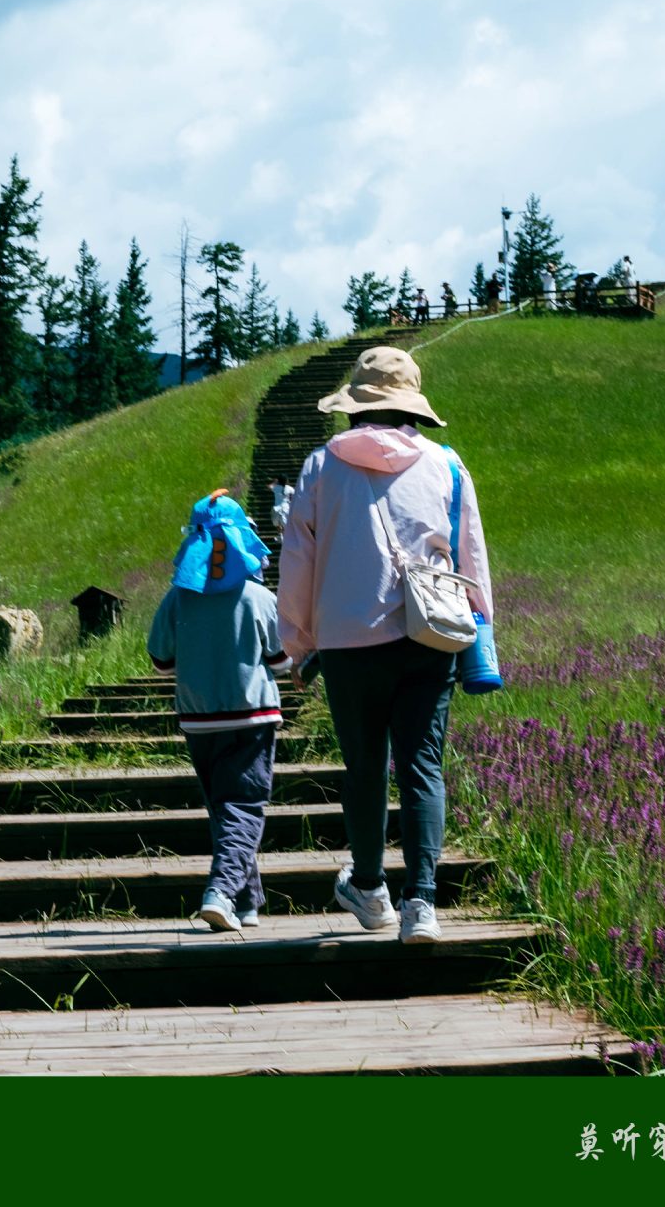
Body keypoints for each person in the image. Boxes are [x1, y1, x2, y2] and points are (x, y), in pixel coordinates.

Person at [277, 347, 493, 945]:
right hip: (429, 636)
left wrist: (296, 643)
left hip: (348, 641)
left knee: (364, 765)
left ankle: (371, 889)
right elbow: (471, 553)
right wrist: (482, 626)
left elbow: (298, 559)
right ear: (412, 409)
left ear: (356, 407)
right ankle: (422, 901)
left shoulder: (322, 466)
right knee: (423, 765)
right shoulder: (447, 465)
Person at [146, 491, 292, 933]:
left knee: (222, 809)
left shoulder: (178, 598)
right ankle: (221, 892)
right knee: (245, 805)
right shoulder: (258, 596)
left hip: (198, 718)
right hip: (251, 715)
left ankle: (246, 902)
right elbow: (282, 659)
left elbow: (160, 658)